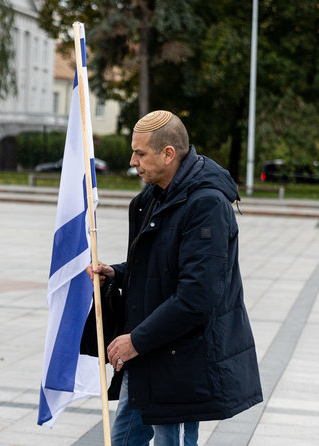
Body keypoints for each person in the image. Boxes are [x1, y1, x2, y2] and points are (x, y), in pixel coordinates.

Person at [86, 110, 262, 446]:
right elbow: (160, 266)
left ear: (168, 154)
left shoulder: (207, 204)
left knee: (172, 440)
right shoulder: (149, 199)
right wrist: (117, 273)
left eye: (140, 153)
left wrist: (135, 340)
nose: (132, 160)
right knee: (123, 438)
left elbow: (198, 297)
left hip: (181, 360)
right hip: (148, 352)